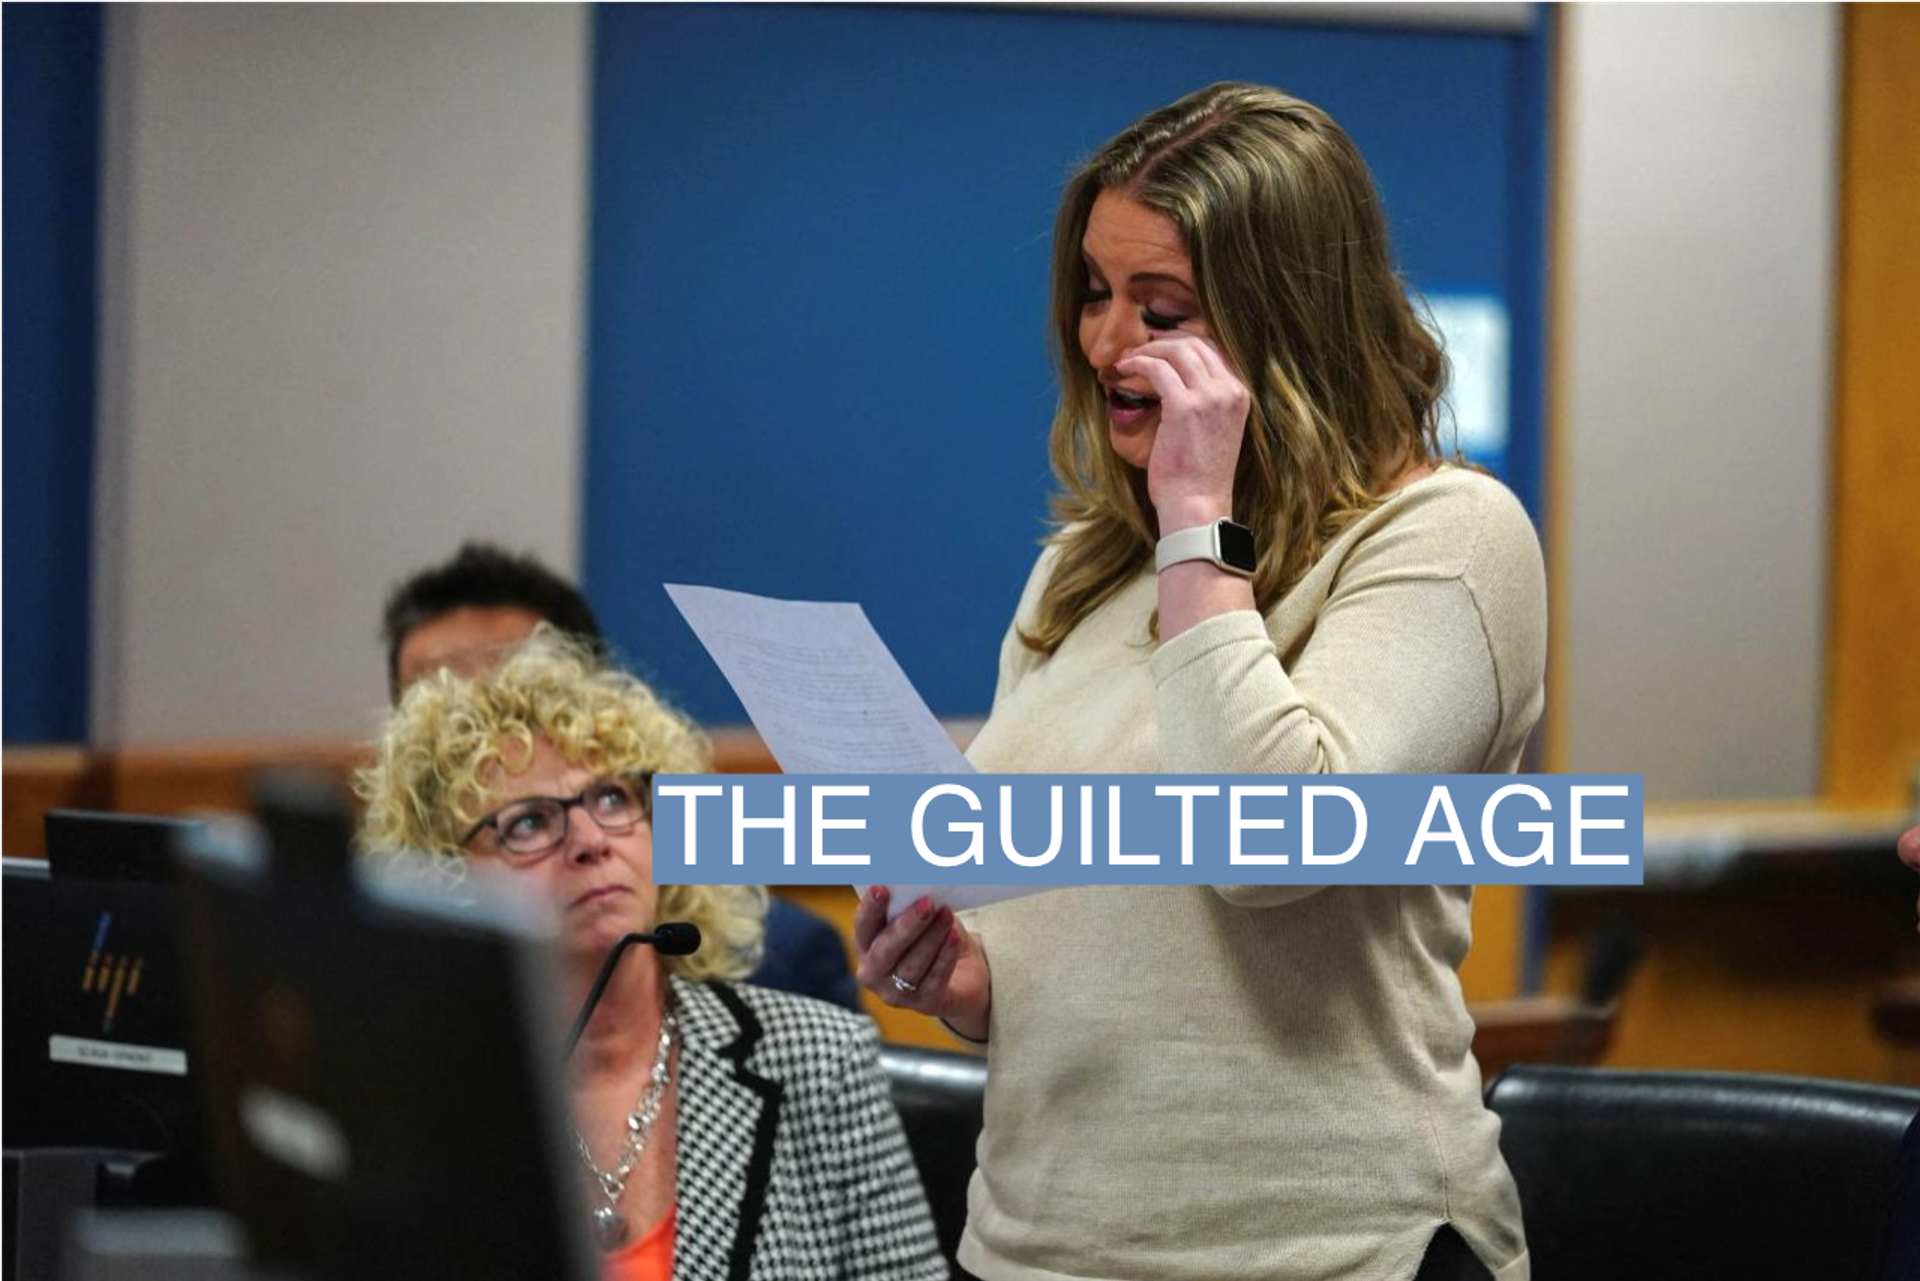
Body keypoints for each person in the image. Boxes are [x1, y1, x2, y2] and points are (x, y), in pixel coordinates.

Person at [853, 83, 1544, 1281]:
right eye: (1093, 292)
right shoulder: (1078, 570)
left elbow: (1270, 845)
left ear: (1289, 326)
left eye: (1160, 307)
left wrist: (1195, 519)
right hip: (1035, 1243)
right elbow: (1100, 920)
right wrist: (979, 981)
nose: (1110, 341)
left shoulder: (1446, 534)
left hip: (1331, 1250)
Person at [356, 630, 946, 1280]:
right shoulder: (414, 1098)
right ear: (446, 880)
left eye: (612, 798)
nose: (588, 840)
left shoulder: (820, 1059)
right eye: (528, 822)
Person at [380, 542, 864, 1013]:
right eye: (435, 699)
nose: (483, 723)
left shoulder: (782, 968)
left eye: (521, 677)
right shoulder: (393, 997)